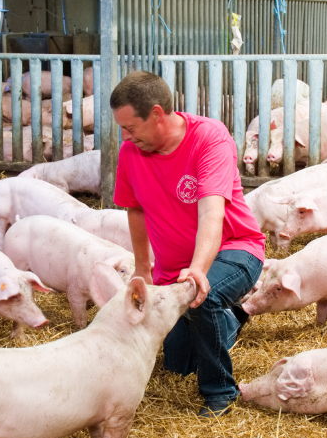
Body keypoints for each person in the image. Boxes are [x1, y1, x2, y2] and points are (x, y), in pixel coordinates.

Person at [110, 71, 265, 417]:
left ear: (156, 114)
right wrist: (142, 267)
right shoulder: (130, 153)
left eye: (130, 127)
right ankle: (232, 320)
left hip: (235, 248)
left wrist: (198, 269)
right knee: (178, 364)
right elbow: (134, 210)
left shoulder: (209, 138)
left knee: (200, 296)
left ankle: (221, 393)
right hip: (170, 268)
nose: (125, 136)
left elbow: (212, 210)